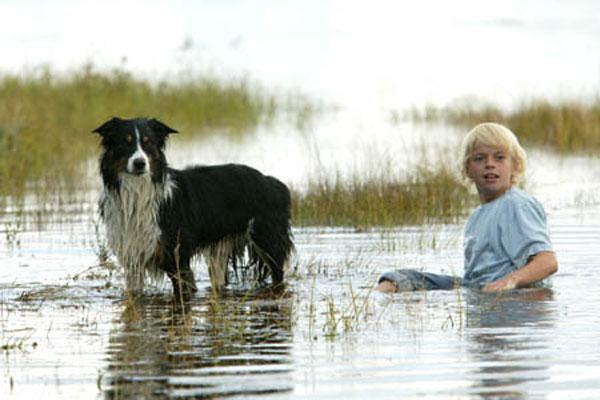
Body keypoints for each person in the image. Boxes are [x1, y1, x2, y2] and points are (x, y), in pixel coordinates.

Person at [376, 122, 558, 293]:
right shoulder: (477, 216)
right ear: (467, 169)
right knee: (398, 279)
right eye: (480, 158)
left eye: (499, 157)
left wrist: (508, 282)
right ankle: (372, 303)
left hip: (506, 296)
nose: (490, 164)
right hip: (476, 288)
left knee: (405, 280)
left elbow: (547, 262)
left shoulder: (517, 204)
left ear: (515, 165)